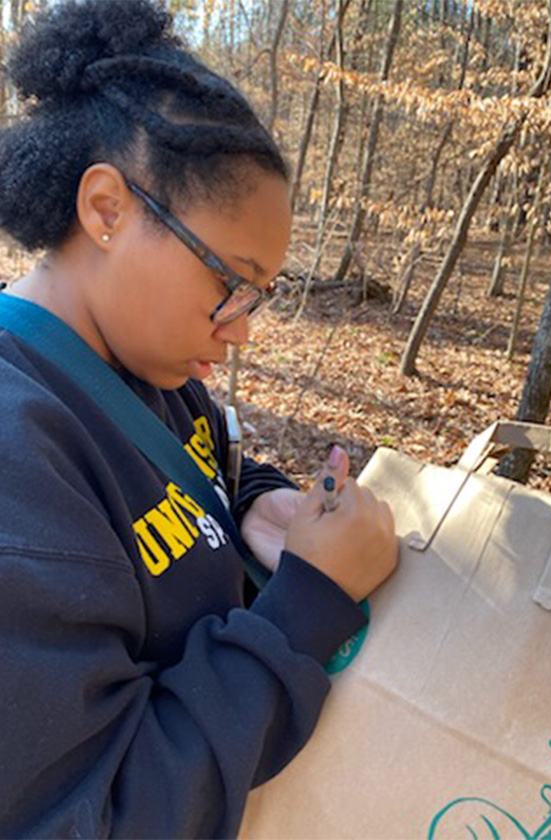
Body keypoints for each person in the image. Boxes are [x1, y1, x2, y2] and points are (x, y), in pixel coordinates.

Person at [0, 1, 398, 837]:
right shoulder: (21, 460)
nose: (242, 324)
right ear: (106, 210)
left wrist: (255, 501)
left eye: (259, 293)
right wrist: (308, 606)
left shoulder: (152, 369)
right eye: (229, 278)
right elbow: (103, 812)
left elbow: (198, 468)